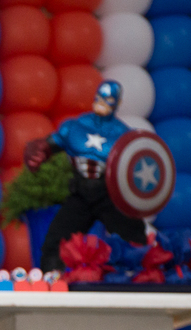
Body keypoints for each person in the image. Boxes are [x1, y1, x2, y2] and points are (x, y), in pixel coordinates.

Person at [24, 80, 148, 273]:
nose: (102, 102)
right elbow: (49, 145)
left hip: (109, 196)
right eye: (99, 97)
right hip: (80, 194)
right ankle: (51, 283)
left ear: (118, 102)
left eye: (108, 99)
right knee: (55, 243)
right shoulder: (76, 126)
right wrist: (37, 150)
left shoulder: (124, 135)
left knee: (133, 240)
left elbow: (138, 167)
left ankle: (137, 281)